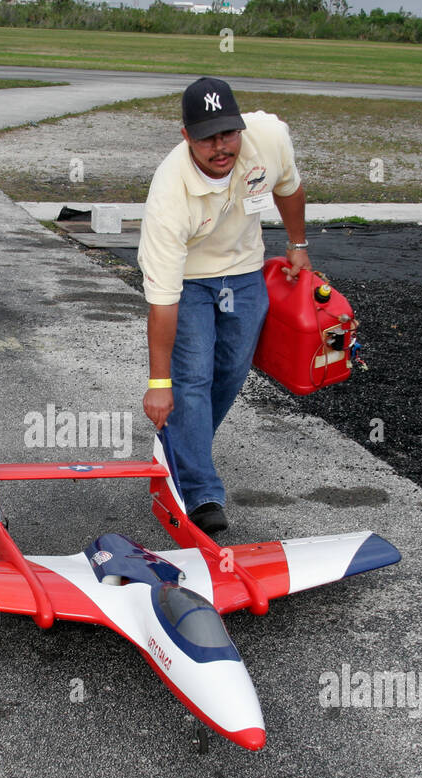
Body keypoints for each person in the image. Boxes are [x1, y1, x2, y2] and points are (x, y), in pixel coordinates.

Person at [137, 77, 310, 535]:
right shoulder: (169, 196)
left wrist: (297, 244)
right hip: (187, 280)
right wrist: (159, 384)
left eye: (228, 133)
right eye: (207, 137)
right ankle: (201, 491)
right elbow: (163, 305)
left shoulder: (268, 138)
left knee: (232, 370)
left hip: (245, 269)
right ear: (186, 137)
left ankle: (177, 449)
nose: (220, 147)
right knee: (191, 377)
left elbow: (289, 188)